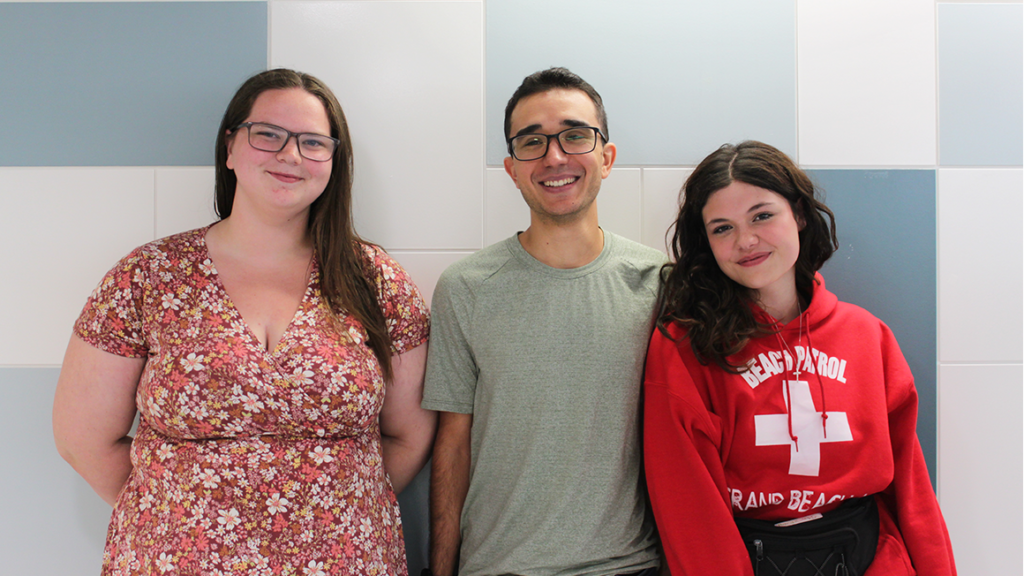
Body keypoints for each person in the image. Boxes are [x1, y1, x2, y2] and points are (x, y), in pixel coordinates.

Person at [52, 68, 434, 576]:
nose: (290, 155)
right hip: (173, 561)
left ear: (333, 163)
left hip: (346, 560)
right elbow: (83, 438)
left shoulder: (377, 281)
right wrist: (182, 510)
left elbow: (409, 437)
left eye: (312, 142)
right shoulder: (149, 276)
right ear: (230, 147)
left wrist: (333, 507)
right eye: (268, 134)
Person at [644, 141, 956, 575]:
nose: (746, 240)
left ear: (800, 214)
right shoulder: (687, 345)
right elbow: (688, 510)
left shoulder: (867, 335)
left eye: (762, 215)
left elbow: (911, 489)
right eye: (722, 228)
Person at [422, 67, 664, 576]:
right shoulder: (466, 287)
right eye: (532, 142)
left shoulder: (660, 283)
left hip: (628, 567)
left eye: (575, 136)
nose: (554, 157)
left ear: (607, 157)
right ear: (512, 168)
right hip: (498, 567)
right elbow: (453, 444)